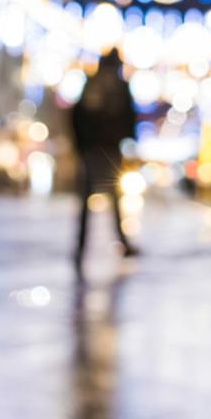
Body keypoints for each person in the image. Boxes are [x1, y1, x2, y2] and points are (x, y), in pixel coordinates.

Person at [70, 49, 139, 267]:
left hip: (98, 150)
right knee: (110, 200)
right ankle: (112, 244)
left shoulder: (96, 84)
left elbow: (76, 116)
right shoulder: (113, 87)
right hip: (104, 150)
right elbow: (129, 117)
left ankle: (82, 248)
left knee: (96, 201)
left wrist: (80, 146)